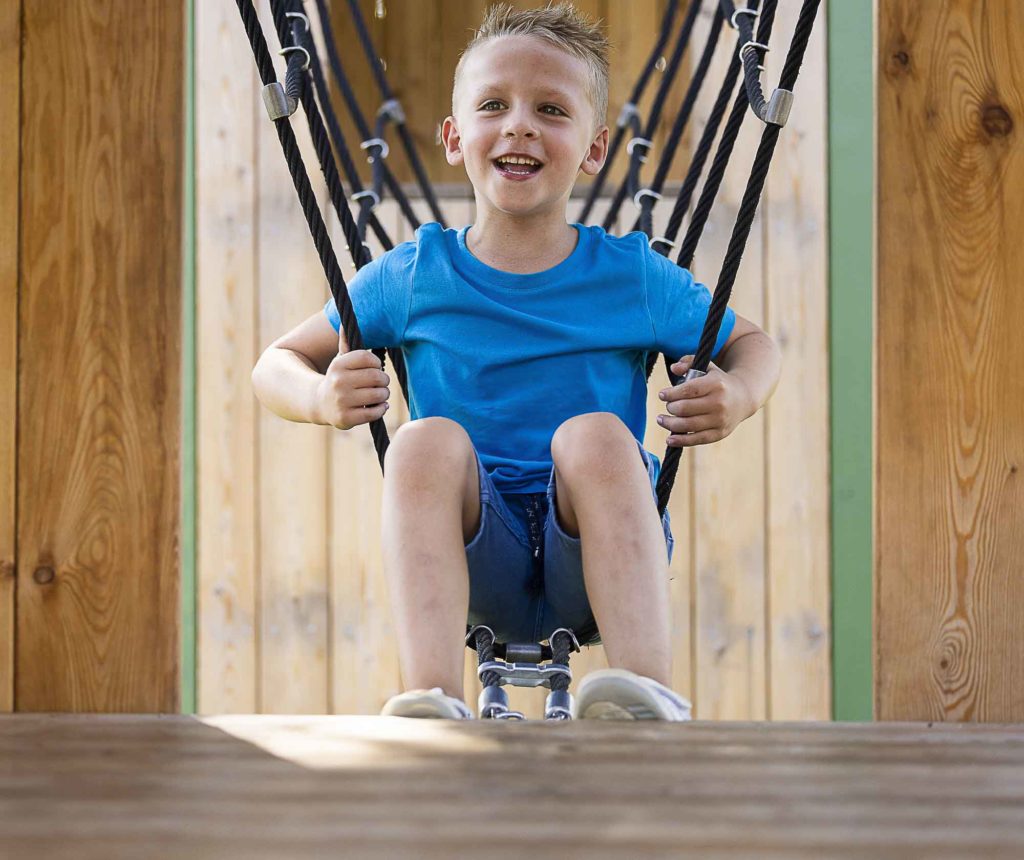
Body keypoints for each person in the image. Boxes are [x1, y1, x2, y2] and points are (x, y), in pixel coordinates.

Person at [251, 2, 781, 721]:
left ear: (594, 150)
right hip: (475, 562)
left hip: (596, 558)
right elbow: (275, 364)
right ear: (453, 136)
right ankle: (432, 701)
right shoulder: (416, 274)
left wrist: (738, 394)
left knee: (594, 435)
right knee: (421, 441)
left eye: (551, 109)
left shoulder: (631, 276)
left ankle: (647, 695)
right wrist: (321, 397)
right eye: (493, 105)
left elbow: (752, 343)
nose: (519, 124)